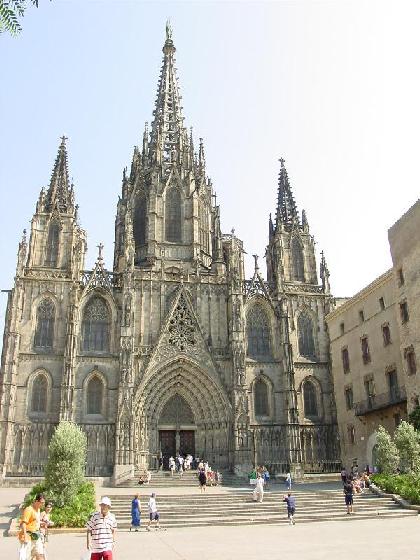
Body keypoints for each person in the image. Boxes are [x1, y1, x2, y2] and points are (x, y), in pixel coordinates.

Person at [18, 493, 45, 560]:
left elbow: (35, 521)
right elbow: (23, 523)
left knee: (40, 555)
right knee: (28, 557)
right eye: (41, 502)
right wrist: (25, 537)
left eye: (44, 502)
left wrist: (41, 525)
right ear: (36, 501)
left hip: (36, 535)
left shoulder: (38, 510)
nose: (43, 504)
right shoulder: (29, 509)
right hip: (28, 536)